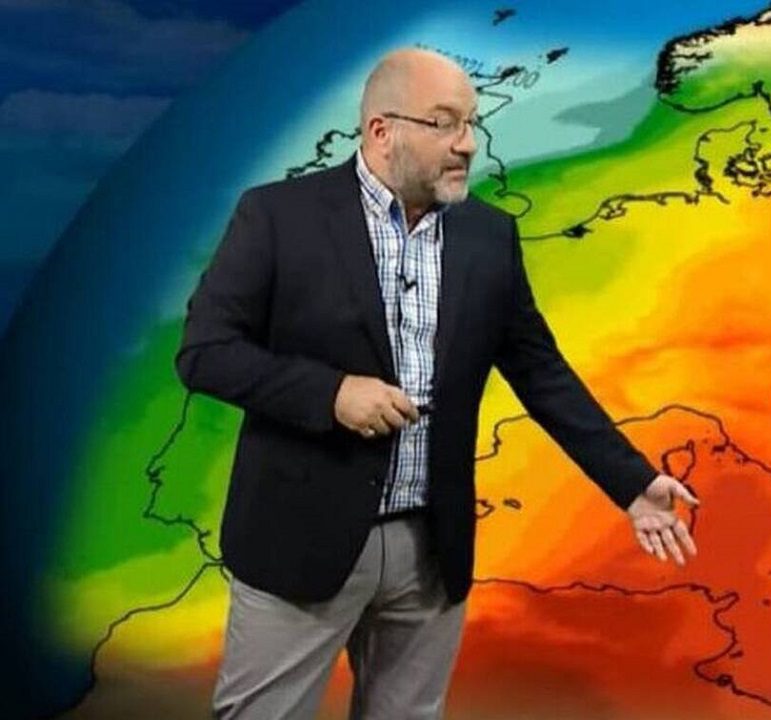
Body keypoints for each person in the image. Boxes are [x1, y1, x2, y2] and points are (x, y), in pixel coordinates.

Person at [175, 47, 700, 719]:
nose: (467, 143)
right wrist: (331, 394)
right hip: (299, 540)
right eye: (445, 122)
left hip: (431, 549)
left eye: (471, 123)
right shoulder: (278, 217)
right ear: (381, 131)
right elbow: (206, 352)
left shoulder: (489, 237)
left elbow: (541, 373)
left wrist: (630, 482)